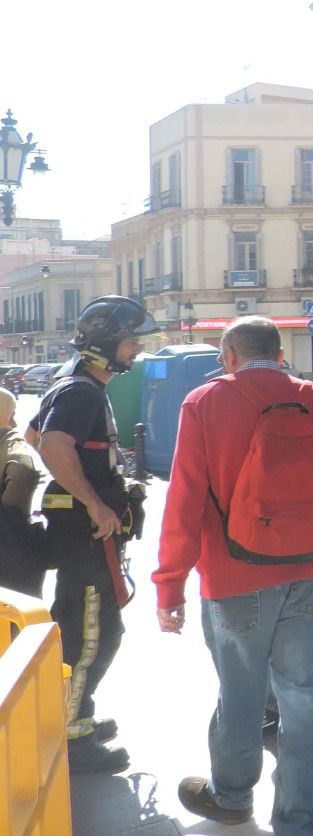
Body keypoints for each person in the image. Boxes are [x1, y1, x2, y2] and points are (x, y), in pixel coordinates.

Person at [153, 317, 313, 836]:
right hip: (309, 569)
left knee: (240, 694)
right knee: (302, 700)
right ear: (281, 351)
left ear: (229, 355)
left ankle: (232, 798)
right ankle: (301, 829)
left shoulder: (204, 403)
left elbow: (186, 498)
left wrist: (170, 581)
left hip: (234, 577)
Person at [36, 295, 155, 774]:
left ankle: (74, 713)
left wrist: (101, 478)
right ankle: (72, 734)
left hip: (83, 536)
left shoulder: (75, 382)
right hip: (85, 536)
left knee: (90, 629)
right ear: (108, 341)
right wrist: (94, 500)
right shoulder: (82, 390)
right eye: (130, 340)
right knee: (91, 636)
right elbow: (50, 444)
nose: (136, 348)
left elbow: (31, 433)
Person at [0, 387, 46, 597]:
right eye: (12, 415)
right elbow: (24, 470)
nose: (15, 423)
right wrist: (11, 519)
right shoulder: (8, 440)